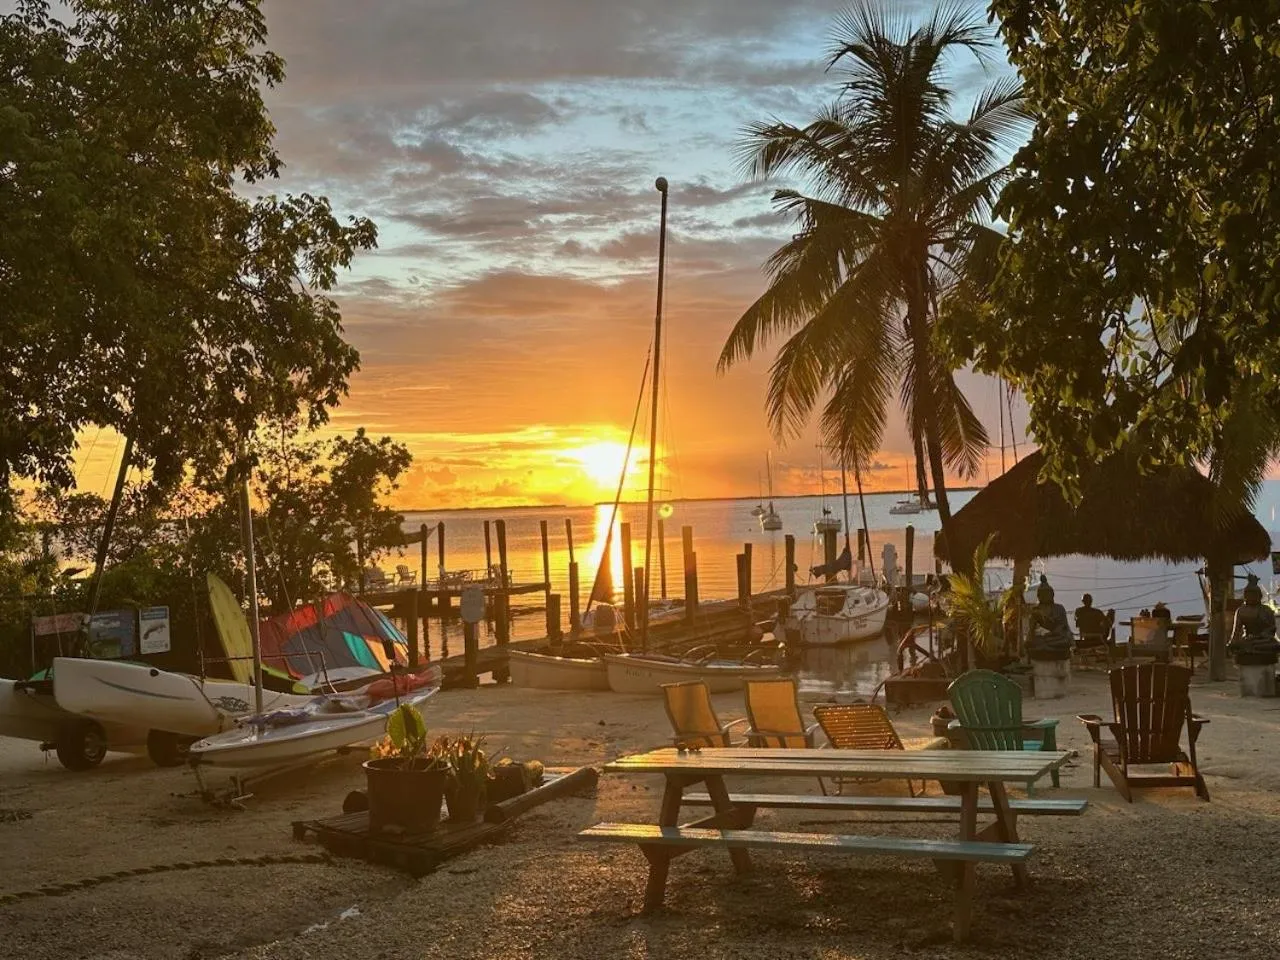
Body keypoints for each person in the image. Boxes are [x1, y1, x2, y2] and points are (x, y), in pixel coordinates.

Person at [1229, 575, 1280, 659]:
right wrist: (1232, 643)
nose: (1251, 597)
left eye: (1254, 595)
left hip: (1264, 640)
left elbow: (1272, 628)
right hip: (1248, 639)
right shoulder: (1241, 611)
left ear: (1259, 596)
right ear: (1245, 597)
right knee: (1242, 645)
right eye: (1249, 595)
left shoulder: (1266, 610)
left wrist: (1262, 635)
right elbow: (1236, 632)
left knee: (1274, 644)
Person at [1027, 575, 1074, 658]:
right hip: (1044, 638)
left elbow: (1064, 626)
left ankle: (1045, 646)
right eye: (1043, 594)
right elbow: (1031, 630)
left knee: (1066, 639)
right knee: (1035, 641)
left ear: (1052, 595)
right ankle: (1044, 646)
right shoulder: (1036, 609)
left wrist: (1053, 633)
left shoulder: (1059, 608)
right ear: (1039, 596)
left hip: (1057, 636)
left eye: (1047, 594)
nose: (1045, 596)